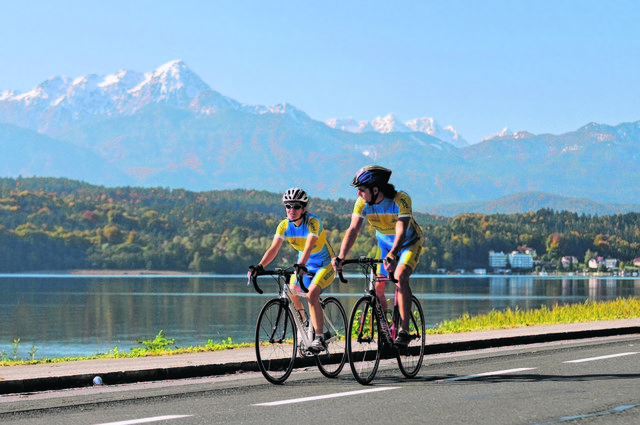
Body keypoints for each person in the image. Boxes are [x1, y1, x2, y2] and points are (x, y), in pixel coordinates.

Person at [332, 165, 423, 347]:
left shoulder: (400, 200)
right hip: (384, 245)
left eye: (361, 190)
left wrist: (393, 254)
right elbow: (353, 230)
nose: (358, 194)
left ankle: (404, 330)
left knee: (400, 277)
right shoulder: (362, 203)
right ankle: (385, 328)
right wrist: (341, 256)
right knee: (378, 286)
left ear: (375, 189)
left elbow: (401, 231)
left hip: (407, 243)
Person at [250, 188, 336, 352]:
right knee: (290, 290)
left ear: (304, 208)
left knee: (312, 294)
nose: (292, 210)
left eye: (296, 207)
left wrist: (301, 263)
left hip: (324, 264)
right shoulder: (284, 226)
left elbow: (309, 246)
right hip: (303, 265)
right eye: (288, 207)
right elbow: (273, 249)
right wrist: (260, 266)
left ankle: (319, 338)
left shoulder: (313, 222)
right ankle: (305, 323)